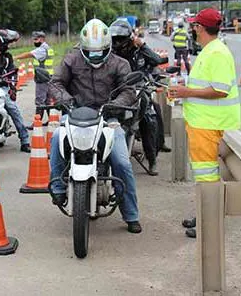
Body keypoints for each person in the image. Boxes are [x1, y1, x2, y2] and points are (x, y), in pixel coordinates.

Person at [48, 19, 142, 234]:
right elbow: (56, 82)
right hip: (75, 116)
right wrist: (65, 100)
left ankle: (131, 214)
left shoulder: (120, 64)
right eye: (90, 51)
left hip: (108, 118)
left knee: (121, 161)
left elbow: (129, 90)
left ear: (108, 47)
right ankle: (58, 187)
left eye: (100, 51)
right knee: (55, 140)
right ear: (82, 47)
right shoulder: (71, 59)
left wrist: (114, 106)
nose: (95, 55)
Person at [169, 8, 240, 239]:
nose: (193, 30)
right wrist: (184, 92)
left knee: (207, 178)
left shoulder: (216, 53)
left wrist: (185, 90)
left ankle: (207, 225)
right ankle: (203, 216)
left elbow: (220, 90)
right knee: (204, 177)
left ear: (200, 28)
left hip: (211, 126)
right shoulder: (210, 50)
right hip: (206, 124)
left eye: (195, 26)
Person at [110, 19, 171, 176]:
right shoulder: (109, 51)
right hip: (118, 89)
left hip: (138, 89)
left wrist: (142, 45)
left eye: (120, 39)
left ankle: (152, 161)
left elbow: (157, 61)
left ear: (130, 37)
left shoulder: (138, 50)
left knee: (148, 118)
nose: (117, 42)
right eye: (114, 39)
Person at [0, 29, 31, 153]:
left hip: (3, 87)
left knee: (13, 109)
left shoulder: (8, 57)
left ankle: (25, 140)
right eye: (7, 43)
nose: (8, 46)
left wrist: (13, 86)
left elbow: (13, 71)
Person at [14, 31, 54, 122]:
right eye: (34, 40)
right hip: (48, 76)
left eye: (36, 39)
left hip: (42, 77)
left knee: (40, 100)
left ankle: (37, 122)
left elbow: (29, 54)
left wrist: (16, 57)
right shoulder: (47, 48)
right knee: (47, 100)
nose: (34, 41)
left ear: (42, 39)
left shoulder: (42, 49)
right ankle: (51, 120)